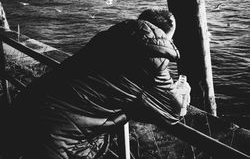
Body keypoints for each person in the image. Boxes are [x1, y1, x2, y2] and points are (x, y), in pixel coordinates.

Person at [1, 8, 190, 159]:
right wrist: (183, 89)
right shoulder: (155, 58)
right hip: (57, 136)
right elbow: (174, 111)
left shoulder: (109, 38)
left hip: (26, 108)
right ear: (165, 35)